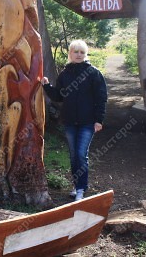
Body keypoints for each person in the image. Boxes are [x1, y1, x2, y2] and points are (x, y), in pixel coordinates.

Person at [41, 40, 107, 201]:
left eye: (82, 52)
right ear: (70, 53)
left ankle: (80, 190)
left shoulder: (93, 73)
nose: (78, 55)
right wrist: (47, 86)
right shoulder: (65, 74)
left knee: (80, 154)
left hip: (88, 122)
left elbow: (102, 97)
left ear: (85, 55)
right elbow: (59, 96)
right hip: (70, 121)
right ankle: (77, 186)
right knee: (73, 155)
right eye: (75, 52)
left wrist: (99, 120)